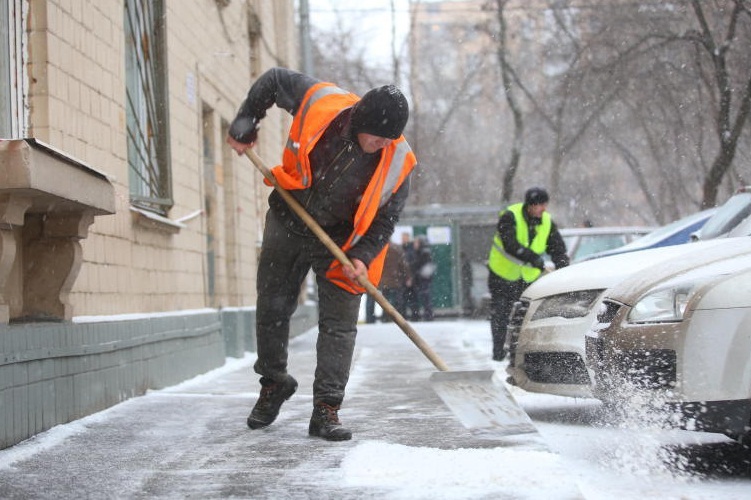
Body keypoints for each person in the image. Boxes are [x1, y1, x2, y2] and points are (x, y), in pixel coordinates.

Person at [226, 67, 416, 441]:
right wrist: (247, 120)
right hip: (289, 215)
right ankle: (274, 382)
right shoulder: (322, 103)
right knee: (273, 307)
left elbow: (385, 219)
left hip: (342, 243)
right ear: (360, 120)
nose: (382, 145)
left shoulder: (398, 162)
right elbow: (274, 80)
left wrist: (362, 255)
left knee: (340, 325)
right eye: (377, 137)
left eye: (389, 139)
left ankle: (326, 409)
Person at [486, 187, 568, 361]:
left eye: (545, 205)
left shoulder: (546, 221)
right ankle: (498, 353)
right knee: (501, 313)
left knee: (524, 316)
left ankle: (519, 354)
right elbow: (510, 244)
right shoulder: (510, 216)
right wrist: (532, 258)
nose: (544, 209)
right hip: (502, 274)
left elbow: (557, 247)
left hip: (527, 278)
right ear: (530, 205)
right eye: (540, 205)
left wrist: (563, 268)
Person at [378, 242, 412, 319]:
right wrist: (408, 277)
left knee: (385, 300)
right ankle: (398, 316)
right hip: (396, 279)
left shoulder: (381, 248)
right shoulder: (397, 249)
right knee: (398, 299)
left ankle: (385, 317)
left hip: (384, 279)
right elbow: (403, 264)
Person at [409, 235, 435, 321]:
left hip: (423, 279)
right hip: (420, 279)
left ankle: (427, 315)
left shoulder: (424, 252)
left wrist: (416, 273)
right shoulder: (419, 252)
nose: (414, 244)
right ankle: (425, 315)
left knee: (425, 297)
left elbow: (421, 266)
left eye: (416, 243)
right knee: (422, 298)